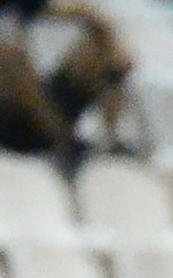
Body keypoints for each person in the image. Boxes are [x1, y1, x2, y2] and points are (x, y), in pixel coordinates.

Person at [0, 1, 132, 160]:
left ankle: (112, 142)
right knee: (10, 59)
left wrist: (97, 24)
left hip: (38, 103)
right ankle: (64, 142)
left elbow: (79, 14)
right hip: (11, 116)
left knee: (100, 41)